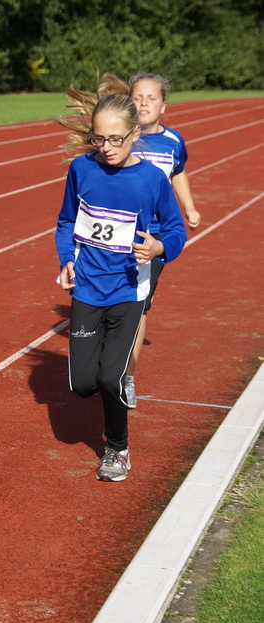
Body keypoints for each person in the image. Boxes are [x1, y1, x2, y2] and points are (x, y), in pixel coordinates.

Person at [55, 91, 187, 481]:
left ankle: (117, 449)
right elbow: (65, 221)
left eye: (115, 139)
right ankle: (106, 393)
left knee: (111, 378)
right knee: (83, 385)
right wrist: (67, 260)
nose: (107, 148)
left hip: (129, 290)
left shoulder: (150, 178)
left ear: (134, 134)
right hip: (87, 288)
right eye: (99, 139)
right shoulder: (81, 170)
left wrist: (160, 246)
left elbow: (177, 230)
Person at [124, 73, 201, 408]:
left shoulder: (173, 141)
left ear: (163, 105)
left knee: (139, 306)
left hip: (151, 237)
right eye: (137, 97)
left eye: (151, 98)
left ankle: (126, 374)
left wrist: (189, 207)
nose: (143, 103)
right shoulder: (123, 138)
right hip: (114, 230)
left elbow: (179, 171)